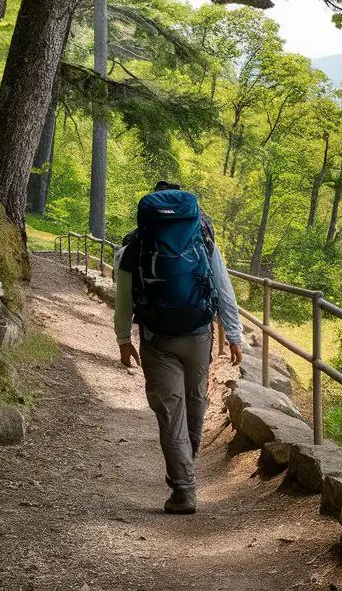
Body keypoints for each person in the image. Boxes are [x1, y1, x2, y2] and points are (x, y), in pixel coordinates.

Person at [113, 181, 243, 514]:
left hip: (157, 340)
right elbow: (223, 287)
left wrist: (124, 340)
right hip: (199, 335)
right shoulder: (202, 238)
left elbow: (124, 300)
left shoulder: (135, 246)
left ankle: (184, 490)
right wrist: (234, 334)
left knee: (171, 414)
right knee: (196, 398)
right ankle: (188, 457)